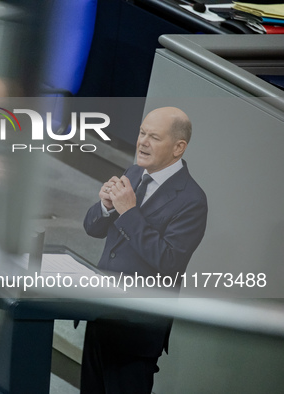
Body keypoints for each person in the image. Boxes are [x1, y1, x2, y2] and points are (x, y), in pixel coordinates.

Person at [81, 107, 208, 394]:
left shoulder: (192, 200)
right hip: (100, 316)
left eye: (154, 137)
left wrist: (127, 212)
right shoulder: (134, 172)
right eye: (141, 133)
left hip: (135, 331)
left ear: (178, 148)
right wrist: (105, 206)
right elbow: (93, 228)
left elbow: (169, 261)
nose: (142, 142)